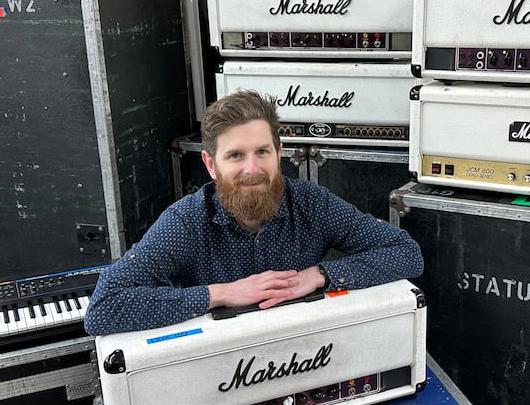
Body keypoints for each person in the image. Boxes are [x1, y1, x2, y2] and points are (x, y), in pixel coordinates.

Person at [83, 89, 424, 336]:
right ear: (210, 164)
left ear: (279, 153)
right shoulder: (185, 222)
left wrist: (319, 275)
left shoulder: (312, 203)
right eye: (235, 156)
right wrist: (224, 293)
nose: (252, 169)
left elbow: (406, 253)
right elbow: (104, 308)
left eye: (262, 152)